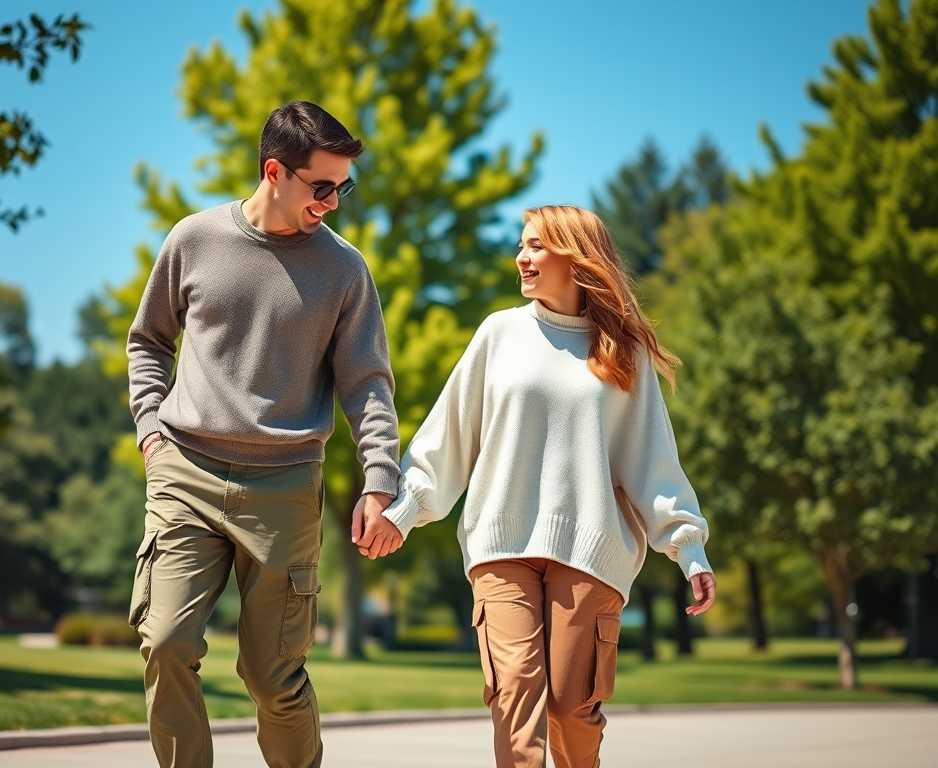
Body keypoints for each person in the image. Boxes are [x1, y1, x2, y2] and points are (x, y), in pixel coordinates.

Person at [374, 204, 716, 768]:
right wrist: (404, 508)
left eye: (536, 245)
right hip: (500, 543)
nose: (521, 257)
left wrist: (688, 547)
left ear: (575, 257)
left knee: (570, 709)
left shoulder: (622, 352)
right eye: (520, 244)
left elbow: (652, 461)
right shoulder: (500, 333)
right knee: (513, 694)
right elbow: (449, 435)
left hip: (590, 550)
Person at [126, 101, 403, 768]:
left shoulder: (344, 271)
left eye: (343, 187)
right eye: (322, 186)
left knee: (272, 679)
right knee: (164, 641)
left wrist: (380, 478)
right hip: (185, 472)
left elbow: (367, 382)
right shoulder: (193, 240)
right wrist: (151, 432)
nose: (334, 202)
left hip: (285, 487)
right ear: (274, 171)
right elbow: (148, 343)